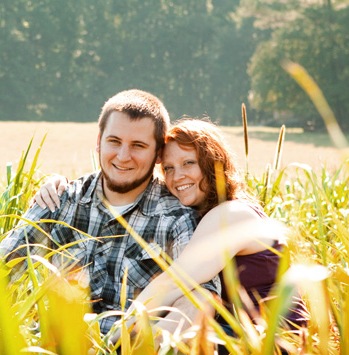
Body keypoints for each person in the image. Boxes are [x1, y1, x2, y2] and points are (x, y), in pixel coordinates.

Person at [34, 119, 306, 336]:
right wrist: (60, 184)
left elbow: (174, 283)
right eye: (170, 168)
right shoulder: (196, 215)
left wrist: (116, 338)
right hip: (239, 333)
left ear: (214, 164)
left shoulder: (230, 215)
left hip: (271, 340)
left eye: (189, 163)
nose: (178, 176)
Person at [0, 91, 219, 336]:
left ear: (158, 154)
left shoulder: (177, 217)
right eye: (114, 141)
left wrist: (142, 351)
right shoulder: (59, 201)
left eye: (138, 146)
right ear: (99, 140)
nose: (123, 157)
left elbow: (200, 298)